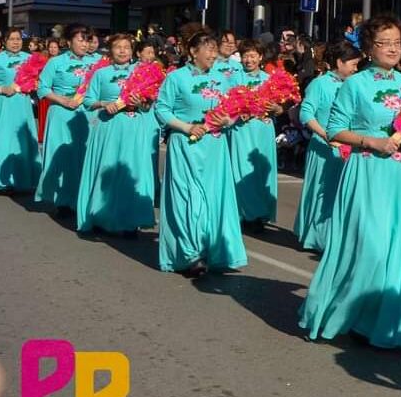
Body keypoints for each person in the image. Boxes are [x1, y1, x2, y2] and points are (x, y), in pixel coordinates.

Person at [299, 16, 401, 348]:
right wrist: (372, 142)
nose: (393, 49)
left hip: (398, 174)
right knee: (369, 247)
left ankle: (382, 324)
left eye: (398, 42)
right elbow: (334, 130)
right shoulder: (355, 84)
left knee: (394, 250)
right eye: (385, 43)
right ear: (369, 48)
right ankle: (346, 312)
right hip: (365, 170)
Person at [154, 32, 247, 278]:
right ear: (193, 51)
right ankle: (190, 253)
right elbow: (161, 109)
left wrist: (229, 120)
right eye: (208, 48)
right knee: (188, 198)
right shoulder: (176, 78)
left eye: (215, 48)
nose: (213, 53)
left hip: (216, 146)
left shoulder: (224, 78)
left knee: (215, 198)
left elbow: (236, 108)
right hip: (186, 145)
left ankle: (216, 250)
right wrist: (185, 127)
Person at [76, 34, 157, 236]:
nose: (122, 50)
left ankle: (131, 220)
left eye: (126, 47)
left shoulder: (142, 72)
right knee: (108, 170)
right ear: (110, 50)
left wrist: (141, 103)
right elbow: (88, 101)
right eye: (118, 47)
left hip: (134, 126)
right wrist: (104, 104)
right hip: (108, 126)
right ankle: (100, 216)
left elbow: (148, 105)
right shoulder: (101, 73)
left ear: (133, 51)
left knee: (132, 172)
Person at [293, 40, 362, 252]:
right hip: (324, 147)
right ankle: (317, 237)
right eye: (353, 64)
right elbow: (305, 114)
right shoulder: (320, 84)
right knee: (322, 192)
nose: (355, 69)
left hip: (348, 147)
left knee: (342, 192)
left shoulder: (354, 85)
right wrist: (326, 135)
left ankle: (338, 236)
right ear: (340, 62)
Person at [35, 24, 101, 215]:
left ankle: (84, 197)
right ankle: (63, 199)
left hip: (88, 113)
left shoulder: (97, 63)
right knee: (64, 156)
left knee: (86, 155)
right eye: (80, 40)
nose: (84, 44)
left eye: (87, 40)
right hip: (62, 113)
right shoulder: (56, 62)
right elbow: (42, 88)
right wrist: (61, 99)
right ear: (69, 42)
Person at [228, 39, 281, 232]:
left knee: (261, 171)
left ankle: (262, 213)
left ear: (260, 57)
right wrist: (238, 112)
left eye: (252, 56)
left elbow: (280, 106)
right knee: (241, 169)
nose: (248, 60)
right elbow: (226, 104)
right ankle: (246, 214)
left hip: (263, 129)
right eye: (245, 56)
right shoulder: (234, 78)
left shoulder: (269, 79)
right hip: (242, 129)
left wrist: (276, 108)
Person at [0, 28, 41, 193]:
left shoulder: (29, 58)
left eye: (18, 39)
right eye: (11, 39)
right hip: (3, 104)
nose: (15, 42)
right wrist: (1, 89)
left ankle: (23, 179)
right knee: (3, 140)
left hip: (22, 104)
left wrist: (32, 85)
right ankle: (2, 180)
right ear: (4, 41)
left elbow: (39, 82)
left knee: (23, 141)